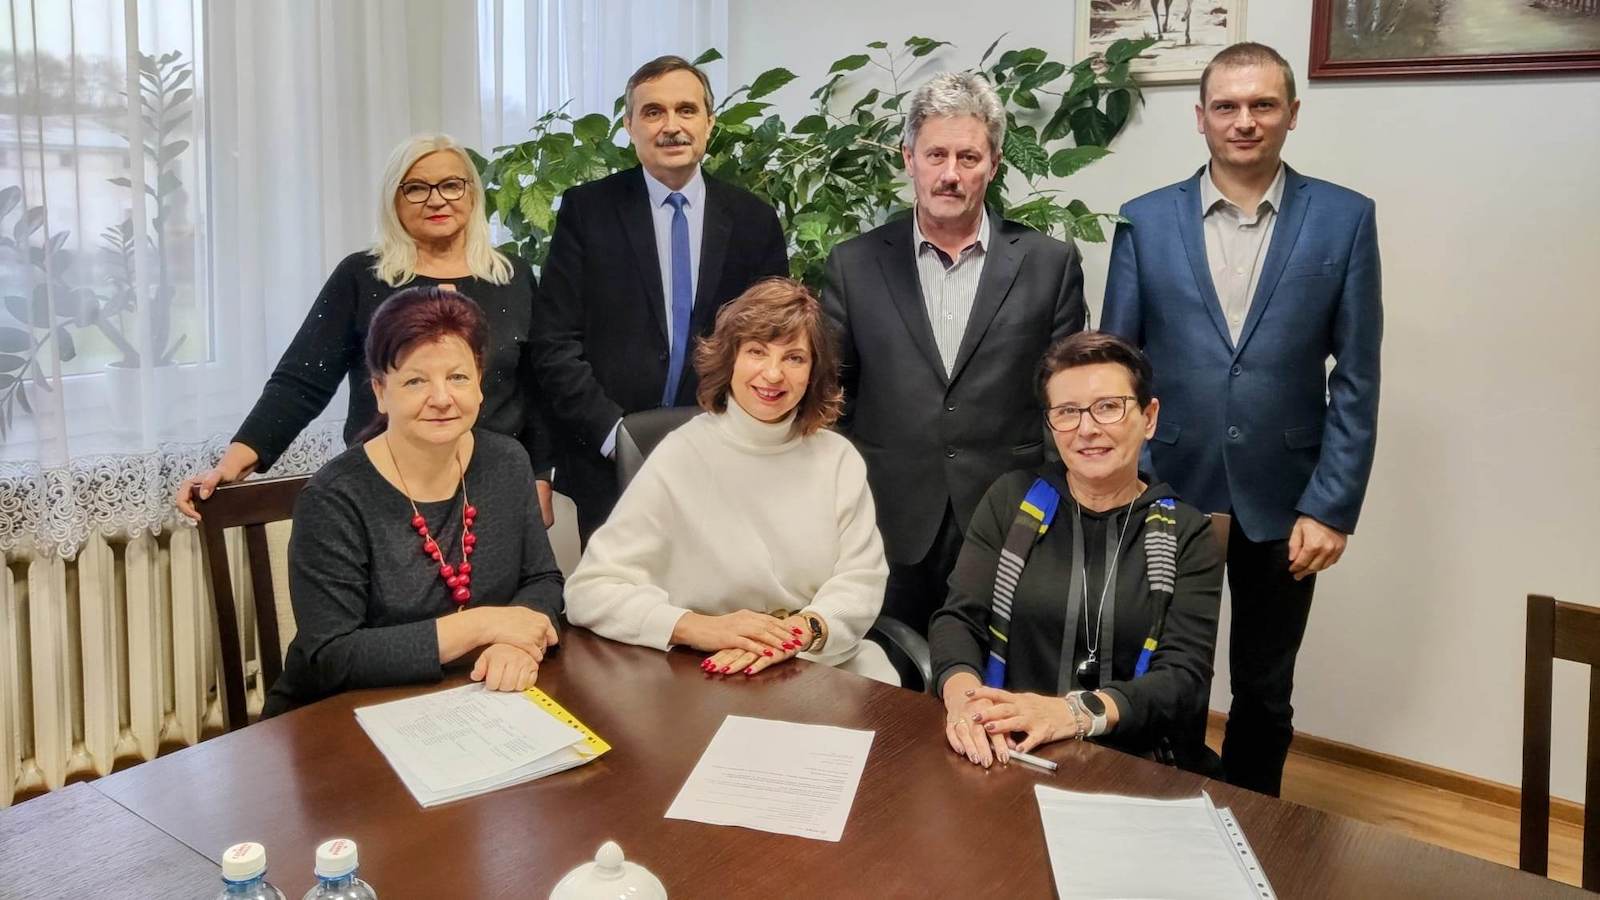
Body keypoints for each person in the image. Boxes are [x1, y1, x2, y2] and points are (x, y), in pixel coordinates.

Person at [1101, 42, 1382, 796]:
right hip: (1166, 489)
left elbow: (1358, 376)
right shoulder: (1143, 220)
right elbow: (1116, 369)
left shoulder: (1345, 219)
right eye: (1226, 106)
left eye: (1263, 104)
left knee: (1264, 687)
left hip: (1286, 498)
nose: (1244, 121)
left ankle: (1256, 825)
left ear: (1292, 113)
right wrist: (1123, 483)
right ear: (1201, 117)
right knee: (1163, 674)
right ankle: (1162, 811)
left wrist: (1331, 505)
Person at [822, 71, 1085, 636]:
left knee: (997, 678)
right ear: (908, 158)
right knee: (886, 674)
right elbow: (833, 398)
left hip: (1010, 518)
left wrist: (1054, 508)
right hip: (886, 520)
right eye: (935, 154)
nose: (950, 174)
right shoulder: (854, 264)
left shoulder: (1049, 264)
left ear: (994, 164)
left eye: (968, 157)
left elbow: (1063, 404)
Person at [176, 134, 554, 526]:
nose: (437, 200)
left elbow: (537, 390)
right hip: (385, 494)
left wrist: (541, 476)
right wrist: (231, 465)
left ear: (472, 193)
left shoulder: (512, 276)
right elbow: (301, 381)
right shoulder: (361, 276)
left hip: (495, 489)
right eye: (416, 188)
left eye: (451, 185)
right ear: (393, 199)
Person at [563, 278, 897, 685]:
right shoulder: (682, 454)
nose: (773, 374)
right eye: (757, 351)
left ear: (813, 372)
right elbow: (590, 591)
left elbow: (862, 581)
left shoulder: (837, 459)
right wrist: (698, 628)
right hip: (710, 670)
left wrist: (798, 634)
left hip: (820, 663)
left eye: (794, 358)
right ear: (730, 359)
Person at [263, 288, 563, 716]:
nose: (441, 398)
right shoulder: (334, 497)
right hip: (339, 716)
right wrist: (482, 625)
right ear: (380, 392)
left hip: (468, 700)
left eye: (458, 377)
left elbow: (543, 579)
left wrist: (513, 644)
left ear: (479, 383)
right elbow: (331, 656)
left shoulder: (507, 461)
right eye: (415, 381)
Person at [930, 332, 1222, 769]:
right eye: (1067, 412)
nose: (1087, 429)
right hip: (1005, 749)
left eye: (1108, 407)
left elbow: (1183, 677)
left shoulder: (1187, 531)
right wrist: (966, 702)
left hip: (1131, 761)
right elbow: (958, 619)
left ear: (1149, 417)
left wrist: (1071, 713)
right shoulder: (1010, 500)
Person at [533, 54, 789, 542]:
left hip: (724, 461)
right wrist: (617, 437)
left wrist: (734, 434)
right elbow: (554, 342)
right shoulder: (587, 212)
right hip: (610, 465)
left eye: (686, 110)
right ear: (629, 126)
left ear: (709, 123)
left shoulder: (753, 220)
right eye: (653, 112)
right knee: (618, 593)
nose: (671, 126)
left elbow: (771, 344)